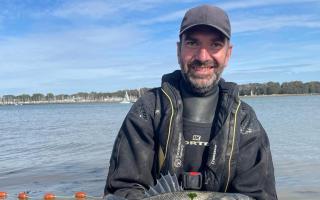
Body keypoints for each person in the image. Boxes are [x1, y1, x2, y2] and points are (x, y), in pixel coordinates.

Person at [104, 4, 277, 200]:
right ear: (179, 50)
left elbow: (259, 195)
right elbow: (122, 189)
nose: (203, 57)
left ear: (228, 54)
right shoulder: (147, 111)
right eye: (193, 43)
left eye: (215, 45)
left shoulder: (245, 121)